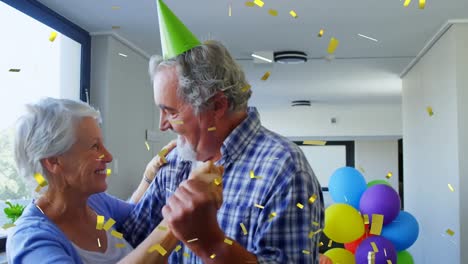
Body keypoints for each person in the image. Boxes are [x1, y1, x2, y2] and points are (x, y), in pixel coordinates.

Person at [121, 1, 325, 263]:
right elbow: (125, 243)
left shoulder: (283, 169)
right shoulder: (172, 165)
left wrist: (211, 243)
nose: (162, 125)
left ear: (217, 105)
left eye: (171, 111)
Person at [6, 97, 223, 263]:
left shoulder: (94, 202)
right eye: (94, 147)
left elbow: (137, 213)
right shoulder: (31, 240)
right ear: (53, 162)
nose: (108, 157)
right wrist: (176, 223)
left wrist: (149, 177)